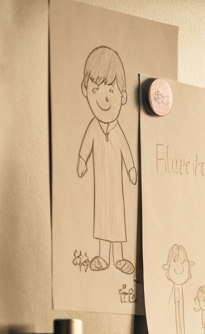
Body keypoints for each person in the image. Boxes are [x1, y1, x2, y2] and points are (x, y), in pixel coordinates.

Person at [76, 46, 137, 275]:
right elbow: (85, 148)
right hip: (101, 186)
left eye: (110, 89)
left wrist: (131, 170)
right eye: (96, 88)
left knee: (117, 219)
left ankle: (119, 257)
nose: (104, 97)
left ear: (122, 95)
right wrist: (82, 161)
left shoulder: (118, 130)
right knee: (102, 217)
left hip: (116, 188)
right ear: (86, 90)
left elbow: (126, 152)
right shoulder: (93, 127)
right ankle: (103, 256)